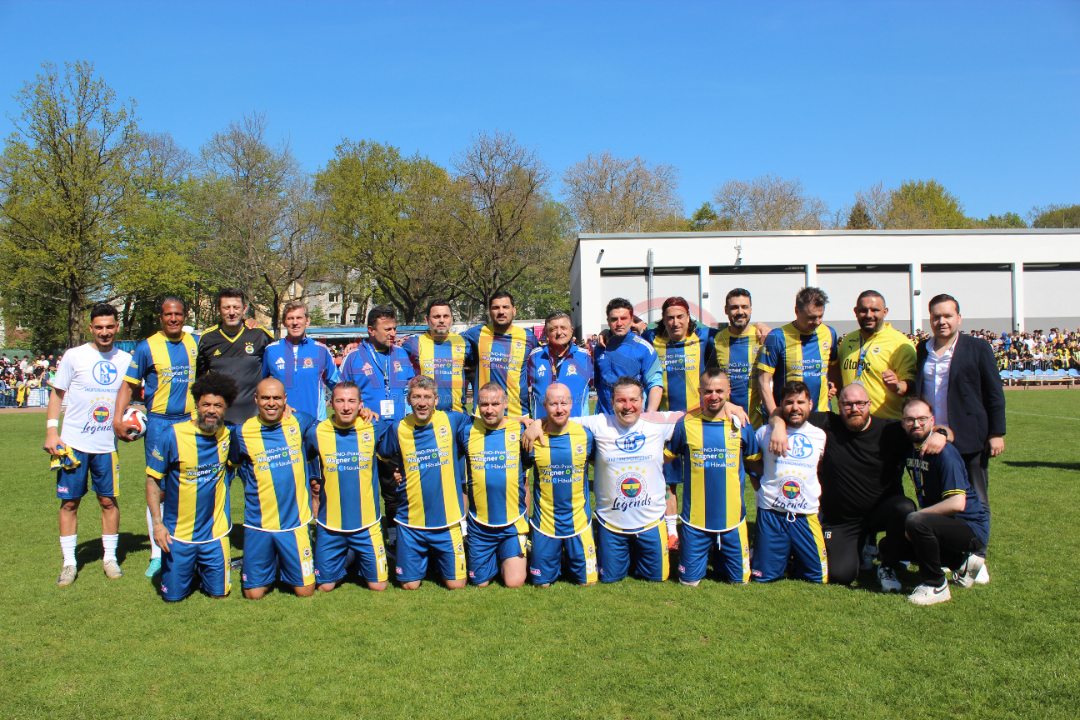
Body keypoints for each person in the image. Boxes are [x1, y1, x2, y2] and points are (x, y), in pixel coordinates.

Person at [526, 376, 746, 583]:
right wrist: (538, 422)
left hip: (651, 522)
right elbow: (560, 416)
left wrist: (728, 405)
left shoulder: (658, 422)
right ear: (612, 402)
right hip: (611, 524)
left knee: (657, 577)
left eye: (633, 400)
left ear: (643, 401)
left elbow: (696, 412)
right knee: (609, 578)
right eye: (621, 400)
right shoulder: (599, 423)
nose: (627, 406)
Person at [767, 382, 946, 591]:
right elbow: (785, 411)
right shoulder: (828, 423)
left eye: (860, 403)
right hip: (843, 520)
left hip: (881, 512)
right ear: (839, 406)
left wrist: (941, 433)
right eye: (847, 404)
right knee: (840, 575)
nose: (854, 409)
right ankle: (858, 549)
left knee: (904, 507)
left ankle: (887, 566)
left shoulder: (890, 429)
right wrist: (778, 426)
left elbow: (929, 429)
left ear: (869, 404)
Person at [915, 294, 1005, 584]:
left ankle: (978, 556)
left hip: (970, 436)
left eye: (947, 316)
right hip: (933, 439)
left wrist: (996, 433)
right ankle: (950, 555)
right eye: (936, 316)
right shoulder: (922, 349)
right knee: (941, 496)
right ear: (930, 319)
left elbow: (994, 393)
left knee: (977, 498)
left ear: (959, 318)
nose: (941, 321)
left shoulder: (977, 347)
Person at [46, 303, 133, 586]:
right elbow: (58, 395)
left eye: (109, 327)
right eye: (99, 327)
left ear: (116, 327)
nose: (104, 332)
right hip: (72, 443)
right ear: (90, 328)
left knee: (108, 500)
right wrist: (51, 432)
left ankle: (110, 557)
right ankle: (69, 562)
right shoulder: (74, 356)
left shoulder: (126, 359)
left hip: (106, 445)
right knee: (69, 502)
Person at [114, 296, 200, 578]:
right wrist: (117, 418)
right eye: (167, 315)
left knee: (189, 484)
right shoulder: (146, 347)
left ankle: (189, 545)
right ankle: (155, 554)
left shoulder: (195, 343)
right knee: (157, 487)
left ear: (185, 315)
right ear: (160, 317)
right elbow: (128, 385)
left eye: (177, 314)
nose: (173, 319)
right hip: (159, 425)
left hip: (189, 423)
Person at [879, 397, 990, 605]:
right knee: (889, 546)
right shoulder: (911, 446)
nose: (916, 424)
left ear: (932, 421)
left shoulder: (944, 453)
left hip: (968, 526)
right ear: (903, 422)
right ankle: (962, 563)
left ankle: (936, 584)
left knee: (915, 522)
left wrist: (918, 516)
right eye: (910, 419)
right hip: (942, 525)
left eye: (922, 418)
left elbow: (957, 503)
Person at [145, 372, 238, 602]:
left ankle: (204, 567)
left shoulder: (231, 434)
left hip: (215, 535)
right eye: (206, 404)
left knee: (219, 595)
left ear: (226, 408)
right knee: (173, 598)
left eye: (218, 405)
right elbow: (152, 481)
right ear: (197, 404)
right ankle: (189, 568)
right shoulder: (173, 435)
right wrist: (157, 525)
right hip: (178, 535)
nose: (211, 410)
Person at [665, 369, 761, 585]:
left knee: (741, 582)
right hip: (694, 523)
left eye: (720, 391)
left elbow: (756, 464)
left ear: (729, 392)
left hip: (733, 522)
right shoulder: (685, 424)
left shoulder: (742, 425)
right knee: (688, 582)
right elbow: (664, 459)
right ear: (700, 391)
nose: (714, 396)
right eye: (708, 391)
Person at [376, 376, 473, 590]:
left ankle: (434, 559)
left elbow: (486, 422)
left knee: (456, 585)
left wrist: (524, 421)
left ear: (436, 400)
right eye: (416, 397)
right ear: (409, 400)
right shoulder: (398, 428)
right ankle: (423, 559)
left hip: (447, 522)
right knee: (410, 585)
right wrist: (396, 470)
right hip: (410, 522)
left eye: (427, 397)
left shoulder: (453, 420)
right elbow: (383, 455)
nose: (422, 402)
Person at [230, 378, 318, 599]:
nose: (271, 403)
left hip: (294, 524)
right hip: (259, 525)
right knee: (253, 595)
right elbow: (232, 465)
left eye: (277, 398)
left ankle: (286, 559)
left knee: (305, 592)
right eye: (266, 398)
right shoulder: (241, 433)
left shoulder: (301, 421)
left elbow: (334, 429)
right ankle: (273, 559)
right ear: (256, 399)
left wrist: (364, 410)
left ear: (285, 400)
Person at [642, 297, 718, 551]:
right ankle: (672, 533)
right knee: (668, 481)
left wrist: (762, 325)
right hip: (666, 424)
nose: (675, 322)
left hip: (698, 421)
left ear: (689, 318)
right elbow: (630, 326)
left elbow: (733, 332)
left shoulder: (705, 336)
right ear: (663, 319)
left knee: (701, 478)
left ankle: (703, 528)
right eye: (669, 317)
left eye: (680, 317)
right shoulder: (653, 337)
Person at [340, 305, 414, 543]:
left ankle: (395, 534)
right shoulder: (353, 358)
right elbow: (341, 395)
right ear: (371, 330)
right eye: (387, 329)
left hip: (398, 432)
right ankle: (364, 534)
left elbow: (409, 390)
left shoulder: (401, 355)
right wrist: (358, 408)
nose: (392, 333)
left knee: (396, 484)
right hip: (366, 433)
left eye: (394, 328)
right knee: (366, 486)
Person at [305, 382, 387, 593]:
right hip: (330, 526)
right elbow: (302, 458)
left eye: (352, 401)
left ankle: (354, 552)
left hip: (367, 524)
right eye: (340, 401)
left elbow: (396, 449)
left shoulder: (374, 425)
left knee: (379, 586)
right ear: (330, 403)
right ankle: (350, 555)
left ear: (361, 404)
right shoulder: (316, 432)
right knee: (325, 587)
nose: (346, 407)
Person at [749, 381, 828, 584]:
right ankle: (780, 555)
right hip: (771, 515)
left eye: (801, 402)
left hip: (805, 515)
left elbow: (820, 470)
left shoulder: (820, 436)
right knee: (763, 577)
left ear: (810, 404)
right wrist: (761, 490)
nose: (795, 407)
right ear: (781, 405)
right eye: (789, 402)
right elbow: (750, 465)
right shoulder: (764, 433)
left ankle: (792, 557)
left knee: (818, 578)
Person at [457, 383, 529, 588]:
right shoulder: (466, 432)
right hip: (480, 525)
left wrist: (525, 519)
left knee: (514, 582)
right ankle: (496, 555)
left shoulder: (521, 430)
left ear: (505, 403)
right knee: (479, 583)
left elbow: (525, 481)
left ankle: (515, 549)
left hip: (513, 523)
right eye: (484, 404)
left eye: (495, 403)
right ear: (477, 405)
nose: (490, 409)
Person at [525, 383, 598, 587]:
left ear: (571, 404)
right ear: (544, 405)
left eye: (564, 403)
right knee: (541, 584)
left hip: (579, 523)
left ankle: (567, 557)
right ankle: (551, 554)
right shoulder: (531, 438)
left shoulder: (586, 436)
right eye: (553, 403)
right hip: (545, 525)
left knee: (588, 583)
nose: (559, 409)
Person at [196, 287, 275, 427]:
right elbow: (200, 379)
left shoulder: (259, 335)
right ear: (218, 310)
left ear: (244, 309)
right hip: (220, 421)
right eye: (226, 308)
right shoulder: (207, 338)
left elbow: (277, 371)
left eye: (236, 307)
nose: (232, 312)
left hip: (254, 419)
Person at [757, 287, 839, 415]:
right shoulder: (778, 337)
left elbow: (833, 367)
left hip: (822, 414)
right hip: (790, 416)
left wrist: (831, 384)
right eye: (811, 317)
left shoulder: (829, 333)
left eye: (820, 316)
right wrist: (775, 416)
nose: (817, 322)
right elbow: (763, 381)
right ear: (797, 311)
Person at [837, 290, 917, 419]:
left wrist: (896, 386)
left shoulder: (900, 343)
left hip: (886, 422)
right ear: (856, 311)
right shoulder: (848, 340)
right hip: (852, 420)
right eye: (863, 310)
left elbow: (911, 384)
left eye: (875, 310)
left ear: (885, 312)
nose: (869, 315)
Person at [461, 291, 537, 417]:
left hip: (518, 415)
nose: (501, 311)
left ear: (514, 310)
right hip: (484, 415)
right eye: (496, 307)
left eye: (505, 307)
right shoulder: (476, 334)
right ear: (489, 311)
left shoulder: (529, 337)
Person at [263, 300, 340, 422]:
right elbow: (261, 387)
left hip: (315, 423)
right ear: (283, 322)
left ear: (307, 320)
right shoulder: (271, 350)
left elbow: (338, 385)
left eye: (299, 318)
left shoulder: (321, 350)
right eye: (290, 318)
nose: (295, 322)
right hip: (281, 423)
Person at [592, 298, 663, 415]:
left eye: (624, 318)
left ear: (631, 319)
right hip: (605, 419)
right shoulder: (600, 346)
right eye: (614, 319)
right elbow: (597, 382)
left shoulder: (644, 348)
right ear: (608, 321)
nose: (619, 323)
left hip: (632, 418)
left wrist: (650, 416)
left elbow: (655, 384)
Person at [711, 288, 768, 429]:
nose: (740, 312)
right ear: (726, 310)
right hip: (724, 422)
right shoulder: (716, 339)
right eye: (735, 307)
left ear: (751, 309)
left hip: (758, 424)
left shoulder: (764, 337)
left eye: (745, 307)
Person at [401, 299, 472, 413]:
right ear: (426, 319)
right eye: (436, 316)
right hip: (425, 415)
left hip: (457, 415)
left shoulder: (464, 343)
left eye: (446, 316)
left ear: (451, 319)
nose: (442, 320)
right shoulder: (413, 344)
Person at [526, 310, 592, 419]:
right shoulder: (534, 357)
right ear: (546, 333)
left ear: (571, 331)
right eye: (553, 329)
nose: (559, 332)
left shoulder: (586, 357)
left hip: (576, 431)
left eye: (563, 328)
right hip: (542, 431)